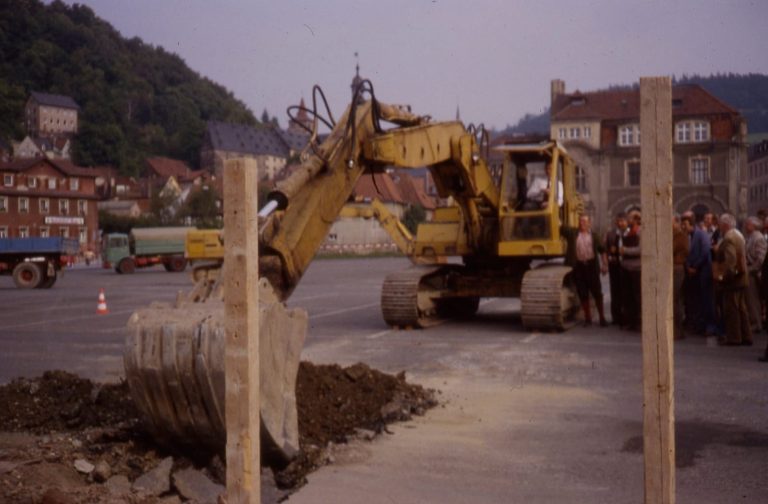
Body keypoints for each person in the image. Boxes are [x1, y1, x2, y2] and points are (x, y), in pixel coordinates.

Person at [713, 213, 752, 346]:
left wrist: (723, 278)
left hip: (733, 280)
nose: (718, 226)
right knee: (741, 308)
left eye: (720, 224)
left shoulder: (729, 238)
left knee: (732, 309)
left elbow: (731, 261)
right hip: (741, 278)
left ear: (725, 225)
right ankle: (746, 335)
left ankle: (734, 337)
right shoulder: (738, 234)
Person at [566, 215, 607, 327]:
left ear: (589, 223)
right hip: (579, 267)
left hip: (592, 266)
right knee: (583, 293)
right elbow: (562, 227)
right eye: (580, 221)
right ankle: (588, 318)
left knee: (597, 292)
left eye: (584, 221)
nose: (581, 223)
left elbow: (602, 251)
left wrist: (604, 265)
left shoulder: (594, 236)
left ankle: (602, 318)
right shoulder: (573, 234)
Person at [682, 214, 716, 335]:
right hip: (692, 272)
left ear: (691, 224)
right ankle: (699, 324)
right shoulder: (686, 236)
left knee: (706, 299)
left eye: (685, 224)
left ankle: (710, 325)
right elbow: (685, 253)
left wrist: (695, 266)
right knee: (696, 299)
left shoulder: (701, 235)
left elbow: (705, 251)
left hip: (703, 271)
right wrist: (688, 266)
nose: (683, 227)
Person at [604, 213, 629, 325]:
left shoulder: (630, 233)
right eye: (619, 221)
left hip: (627, 265)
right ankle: (616, 317)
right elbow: (606, 249)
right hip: (614, 265)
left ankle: (626, 317)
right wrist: (608, 257)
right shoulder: (610, 234)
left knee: (626, 291)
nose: (620, 223)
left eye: (623, 221)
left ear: (627, 221)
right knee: (615, 291)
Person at [744, 216, 767, 332]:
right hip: (749, 271)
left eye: (748, 224)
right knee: (749, 299)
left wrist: (751, 269)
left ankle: (756, 323)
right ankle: (753, 321)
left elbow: (760, 259)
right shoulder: (750, 237)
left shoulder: (758, 238)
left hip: (753, 273)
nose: (745, 226)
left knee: (753, 299)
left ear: (753, 226)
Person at [620, 211, 642, 331]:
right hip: (626, 267)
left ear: (636, 219)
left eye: (630, 218)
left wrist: (626, 250)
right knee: (628, 297)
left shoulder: (641, 231)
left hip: (637, 268)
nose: (628, 220)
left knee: (637, 296)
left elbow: (641, 249)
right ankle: (631, 321)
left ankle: (639, 322)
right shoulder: (627, 231)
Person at [672, 214, 689, 339]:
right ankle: (674, 329)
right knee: (673, 300)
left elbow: (678, 250)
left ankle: (678, 329)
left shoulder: (681, 236)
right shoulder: (672, 235)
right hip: (672, 268)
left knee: (676, 299)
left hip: (677, 268)